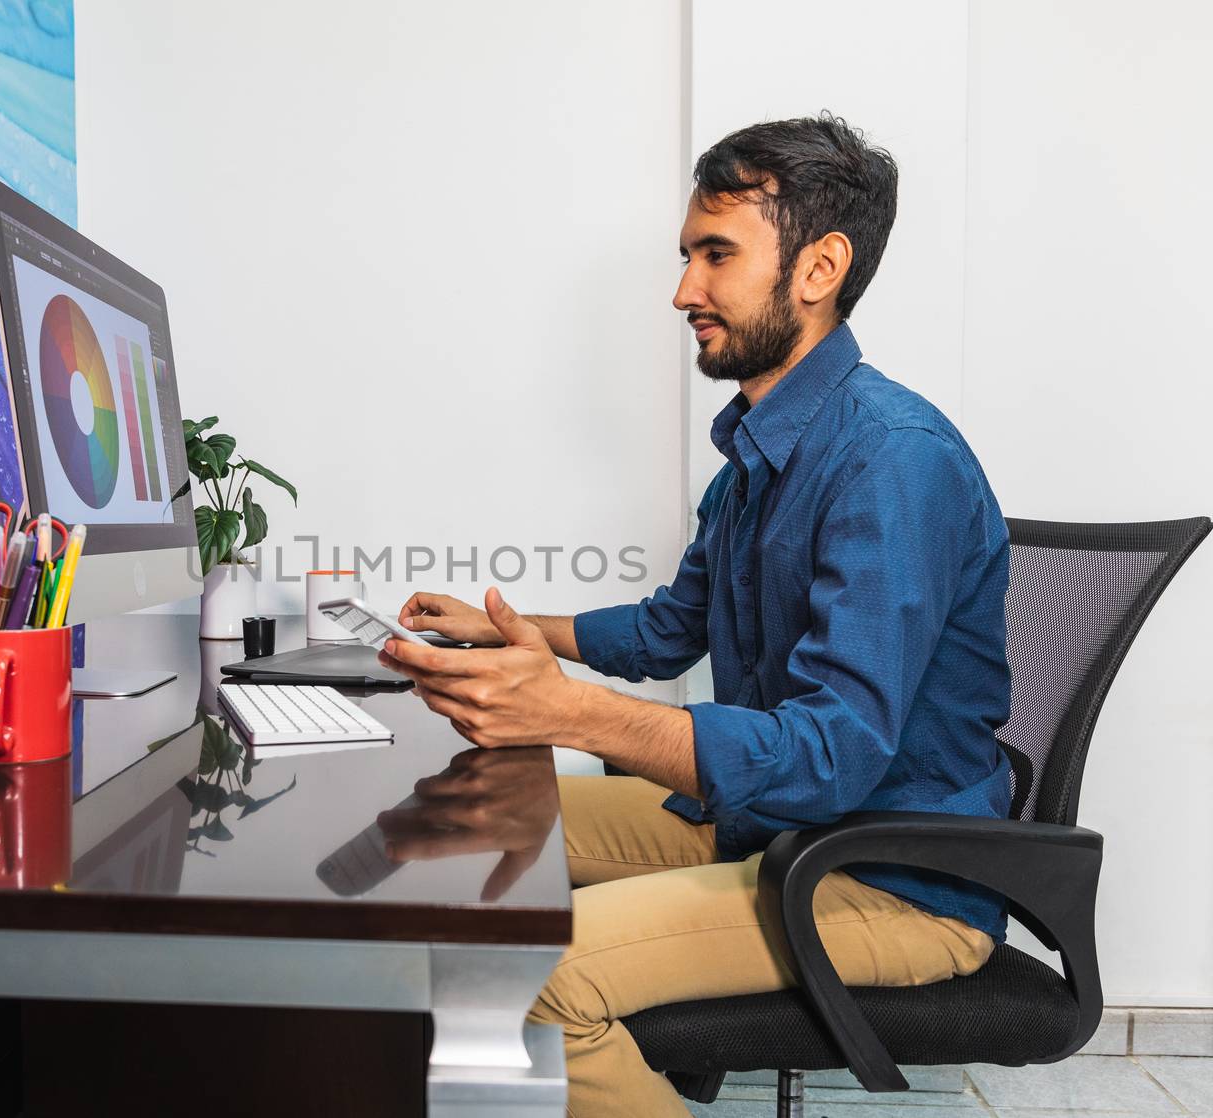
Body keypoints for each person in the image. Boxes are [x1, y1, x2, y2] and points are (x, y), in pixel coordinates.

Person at [380, 113, 1012, 1117]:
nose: (683, 290)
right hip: (776, 829)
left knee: (538, 980)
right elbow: (671, 628)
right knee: (452, 824)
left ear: (818, 268)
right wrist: (515, 633)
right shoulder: (759, 455)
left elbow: (834, 751)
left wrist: (569, 714)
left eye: (714, 255)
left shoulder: (893, 459)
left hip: (887, 872)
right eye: (686, 255)